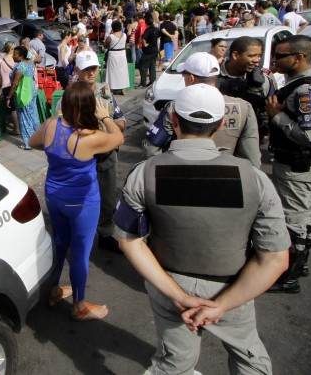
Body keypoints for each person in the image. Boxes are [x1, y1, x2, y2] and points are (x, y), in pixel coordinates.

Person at [115, 84, 289, 375]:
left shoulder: (144, 173)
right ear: (220, 124)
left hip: (170, 284)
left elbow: (129, 242)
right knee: (250, 358)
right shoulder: (255, 180)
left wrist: (179, 295)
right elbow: (274, 258)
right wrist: (222, 305)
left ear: (173, 121)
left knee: (174, 363)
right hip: (233, 286)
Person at [28, 81, 124, 320]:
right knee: (80, 253)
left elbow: (33, 142)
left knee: (61, 242)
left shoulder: (52, 125)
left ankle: (54, 290)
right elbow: (119, 137)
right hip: (82, 202)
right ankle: (79, 306)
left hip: (54, 196)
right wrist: (105, 116)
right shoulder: (91, 138)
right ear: (90, 107)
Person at [265, 35, 311, 294]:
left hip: (299, 167)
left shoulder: (307, 90)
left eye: (281, 55)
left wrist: (278, 116)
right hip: (302, 166)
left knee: (294, 221)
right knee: (303, 217)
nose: (276, 60)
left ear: (299, 57)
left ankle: (289, 276)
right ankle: (298, 265)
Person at [144, 52, 261, 167]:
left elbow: (152, 150)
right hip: (228, 177)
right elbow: (252, 159)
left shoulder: (175, 107)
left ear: (191, 78)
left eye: (183, 75)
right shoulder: (244, 107)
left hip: (181, 175)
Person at [73, 50, 126, 252]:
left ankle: (105, 233)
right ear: (77, 71)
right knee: (81, 201)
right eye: (86, 69)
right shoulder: (72, 97)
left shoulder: (105, 92)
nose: (91, 73)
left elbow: (121, 121)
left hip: (106, 159)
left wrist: (108, 127)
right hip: (83, 161)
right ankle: (80, 236)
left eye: (94, 68)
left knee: (108, 200)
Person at [217, 36, 275, 139]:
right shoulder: (212, 74)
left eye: (259, 56)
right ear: (235, 55)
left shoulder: (265, 79)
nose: (256, 60)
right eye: (251, 56)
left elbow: (270, 109)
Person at [7, 46, 40, 149]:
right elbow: (38, 58)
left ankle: (28, 143)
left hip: (23, 94)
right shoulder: (30, 62)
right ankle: (38, 138)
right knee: (33, 115)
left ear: (21, 56)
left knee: (24, 118)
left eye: (15, 54)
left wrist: (9, 96)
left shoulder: (20, 66)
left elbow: (15, 83)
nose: (13, 56)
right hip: (31, 91)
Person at [104, 20, 129, 94]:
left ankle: (111, 88)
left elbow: (105, 45)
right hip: (122, 54)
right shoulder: (124, 35)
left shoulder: (110, 37)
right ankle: (123, 88)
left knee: (112, 71)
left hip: (113, 54)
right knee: (122, 71)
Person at [137, 14, 160, 88]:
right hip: (155, 49)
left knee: (143, 66)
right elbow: (159, 36)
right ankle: (152, 81)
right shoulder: (156, 29)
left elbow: (144, 39)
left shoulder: (148, 30)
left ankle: (143, 82)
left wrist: (145, 45)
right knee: (152, 66)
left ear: (146, 23)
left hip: (148, 50)